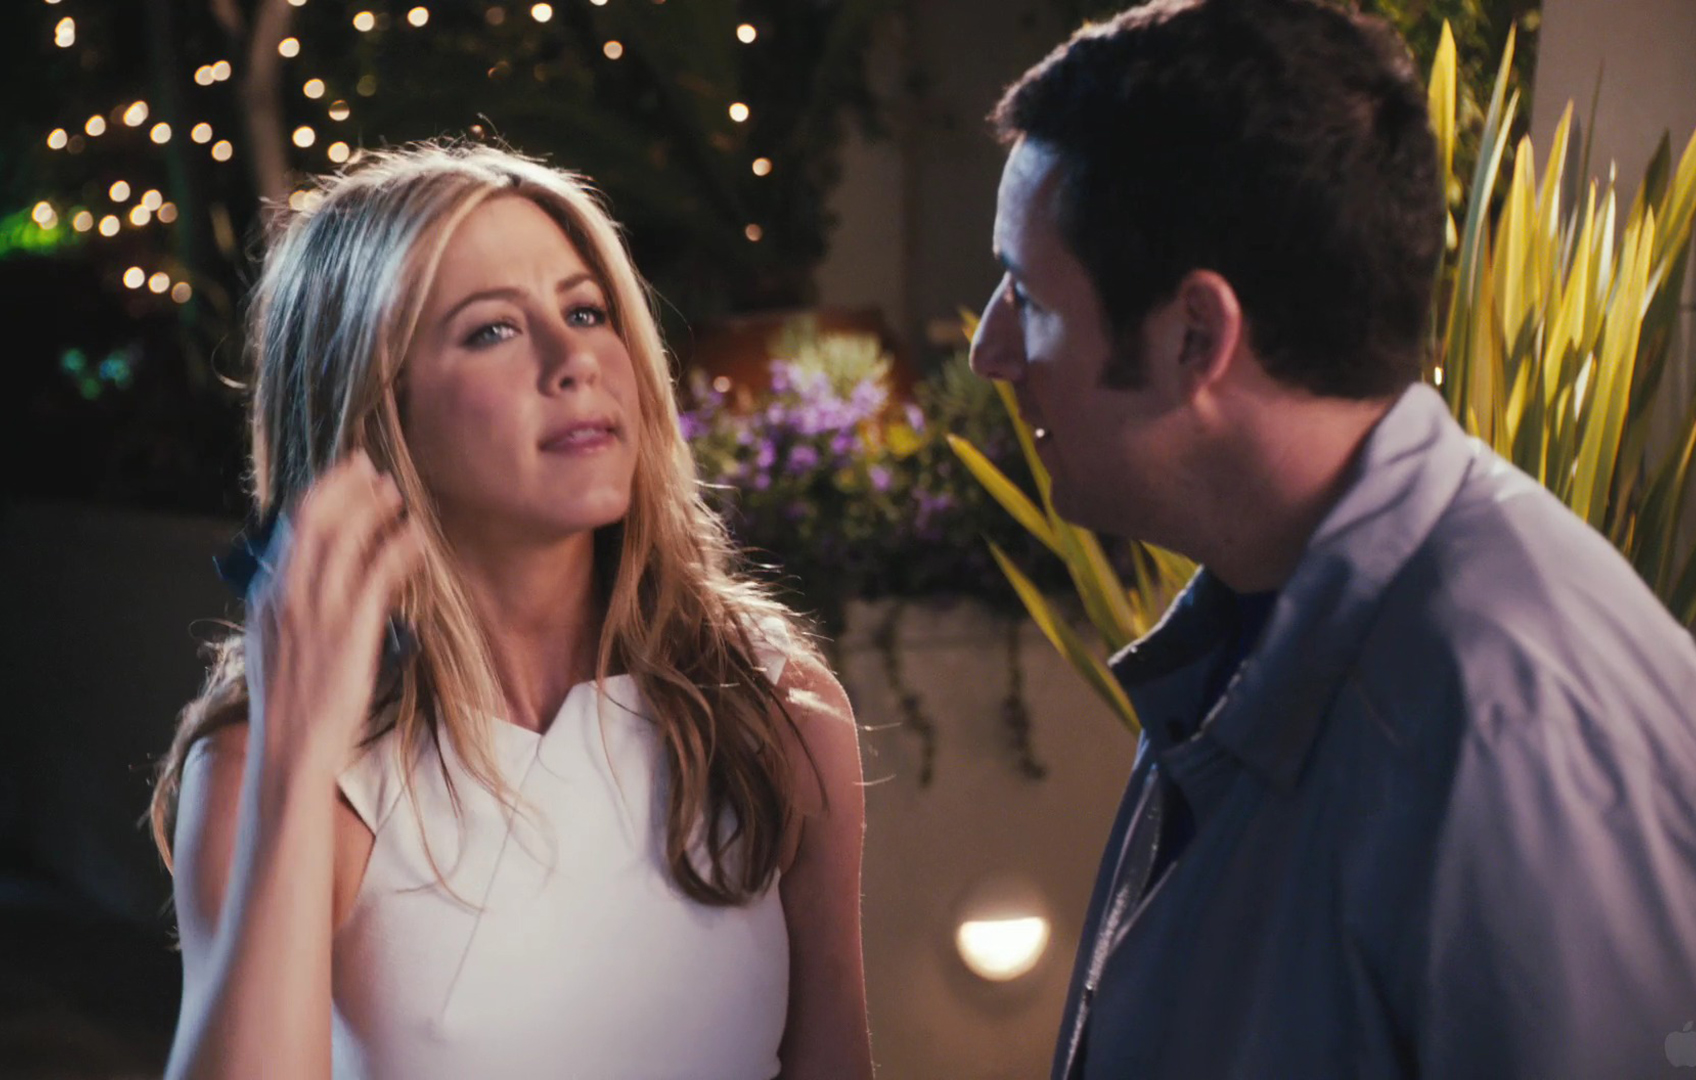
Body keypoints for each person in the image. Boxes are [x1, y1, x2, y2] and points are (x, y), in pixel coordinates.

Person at [967, 1, 1696, 1077]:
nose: (988, 351)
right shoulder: (1260, 627)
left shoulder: (1503, 729)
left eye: (1026, 295)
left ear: (1195, 336)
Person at [147, 144, 873, 1080]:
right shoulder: (277, 764)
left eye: (586, 311)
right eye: (492, 330)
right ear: (377, 408)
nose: (575, 361)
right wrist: (297, 753)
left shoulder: (776, 714)